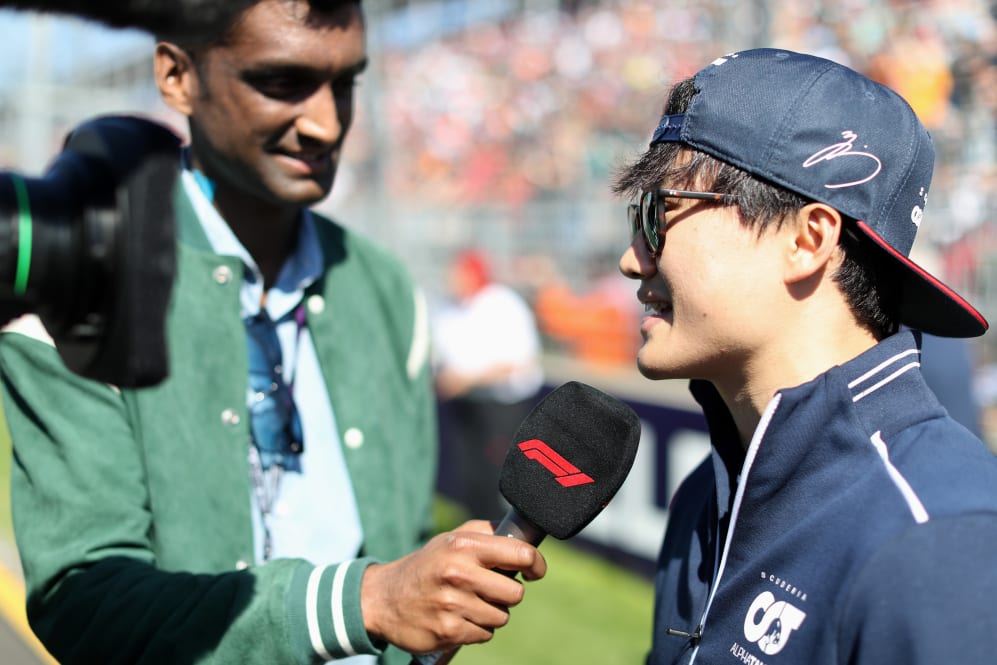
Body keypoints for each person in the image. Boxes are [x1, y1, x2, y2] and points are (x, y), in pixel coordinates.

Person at [0, 2, 545, 665]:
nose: (326, 122)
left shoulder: (387, 291)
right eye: (281, 82)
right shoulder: (75, 279)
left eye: (344, 83)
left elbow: (404, 541)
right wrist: (364, 601)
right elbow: (84, 603)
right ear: (177, 76)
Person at [614, 48, 997, 664]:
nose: (634, 257)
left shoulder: (941, 544)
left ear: (807, 240)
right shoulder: (706, 496)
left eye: (660, 212)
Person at [431, 248, 544, 520]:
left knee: (498, 474)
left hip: (501, 405)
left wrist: (465, 379)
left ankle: (501, 534)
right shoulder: (449, 307)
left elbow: (518, 362)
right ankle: (477, 526)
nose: (452, 279)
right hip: (467, 403)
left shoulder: (502, 304)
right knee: (470, 473)